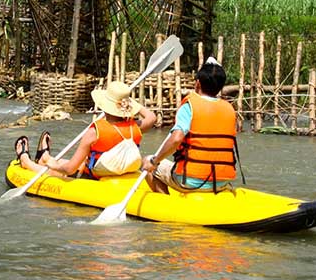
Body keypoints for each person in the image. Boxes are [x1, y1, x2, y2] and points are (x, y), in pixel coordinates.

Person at [14, 80, 156, 179]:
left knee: (61, 170)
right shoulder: (135, 127)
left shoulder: (94, 131)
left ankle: (27, 162)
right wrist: (129, 102)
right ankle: (44, 157)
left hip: (94, 175)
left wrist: (53, 166)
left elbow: (69, 169)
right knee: (77, 162)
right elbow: (151, 117)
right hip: (117, 169)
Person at [140, 58, 238, 194]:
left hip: (190, 181)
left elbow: (176, 139)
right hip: (222, 181)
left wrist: (154, 161)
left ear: (197, 84)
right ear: (221, 87)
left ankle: (166, 202)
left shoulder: (189, 106)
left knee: (147, 161)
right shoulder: (230, 109)